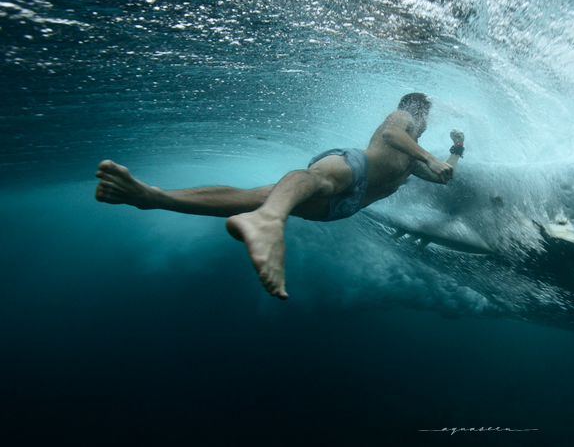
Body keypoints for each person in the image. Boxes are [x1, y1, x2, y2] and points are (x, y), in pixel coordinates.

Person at [94, 93, 465, 300]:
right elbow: (389, 136)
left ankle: (153, 196)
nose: (428, 121)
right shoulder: (404, 116)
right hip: (355, 167)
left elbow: (442, 177)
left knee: (254, 197)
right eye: (429, 115)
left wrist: (455, 151)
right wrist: (429, 156)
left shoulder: (412, 160)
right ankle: (269, 220)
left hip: (344, 206)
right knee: (317, 180)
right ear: (421, 111)